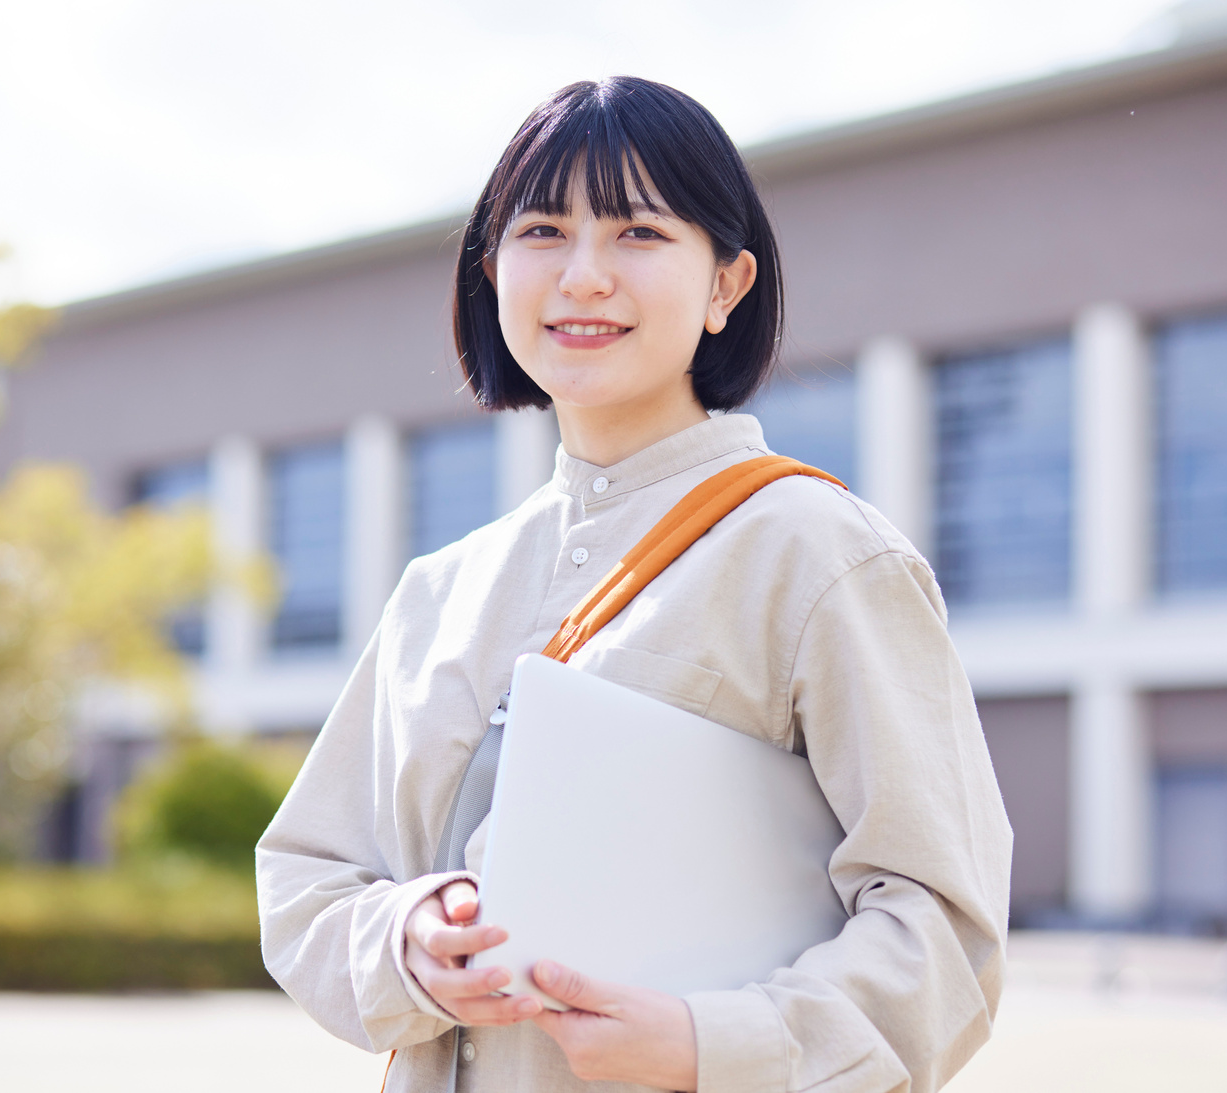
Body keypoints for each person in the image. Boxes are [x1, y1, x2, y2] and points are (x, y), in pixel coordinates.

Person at [257, 76, 1012, 1093]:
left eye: (638, 234)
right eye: (541, 232)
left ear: (726, 286)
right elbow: (306, 877)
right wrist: (408, 943)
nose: (582, 276)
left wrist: (717, 1044)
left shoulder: (818, 552)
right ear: (492, 272)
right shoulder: (441, 590)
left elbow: (944, 922)